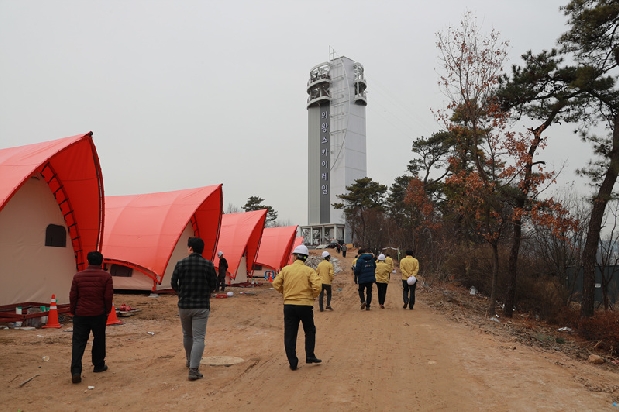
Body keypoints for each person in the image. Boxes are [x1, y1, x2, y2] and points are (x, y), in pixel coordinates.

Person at [171, 237, 218, 381]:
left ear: (190, 248)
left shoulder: (181, 264)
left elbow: (173, 283)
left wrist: (181, 293)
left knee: (187, 334)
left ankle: (189, 360)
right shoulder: (208, 265)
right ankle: (193, 369)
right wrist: (206, 292)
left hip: (184, 306)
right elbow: (214, 285)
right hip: (201, 306)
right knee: (199, 337)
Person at [272, 244, 322, 370]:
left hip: (289, 306)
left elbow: (276, 283)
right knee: (309, 330)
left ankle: (293, 362)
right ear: (305, 258)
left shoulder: (286, 270)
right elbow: (318, 286)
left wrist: (285, 293)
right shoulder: (309, 271)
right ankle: (310, 355)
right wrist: (312, 296)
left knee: (290, 334)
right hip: (305, 305)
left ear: (295, 256)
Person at [69, 251, 113, 384]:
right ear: (101, 262)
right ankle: (98, 365)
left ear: (88, 261)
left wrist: (73, 310)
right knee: (99, 339)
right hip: (98, 313)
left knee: (78, 342)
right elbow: (108, 297)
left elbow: (73, 296)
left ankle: (76, 370)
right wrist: (107, 311)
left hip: (81, 313)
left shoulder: (78, 276)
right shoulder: (106, 276)